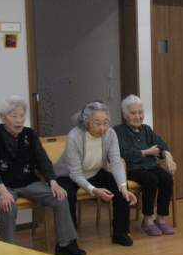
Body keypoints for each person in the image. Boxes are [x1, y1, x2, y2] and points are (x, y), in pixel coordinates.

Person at [0, 96, 86, 255]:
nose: (19, 120)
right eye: (14, 116)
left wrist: (53, 182)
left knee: (60, 197)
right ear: (3, 117)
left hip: (28, 182)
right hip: (2, 186)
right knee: (8, 205)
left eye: (22, 115)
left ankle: (66, 244)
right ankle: (9, 250)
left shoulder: (30, 134)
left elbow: (43, 160)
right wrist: (3, 191)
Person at [54, 101, 137, 246]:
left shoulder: (110, 134)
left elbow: (116, 162)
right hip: (68, 175)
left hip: (95, 172)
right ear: (86, 123)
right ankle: (69, 241)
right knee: (67, 195)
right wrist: (93, 190)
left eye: (106, 122)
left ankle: (120, 233)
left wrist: (123, 186)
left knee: (120, 188)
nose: (102, 128)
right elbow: (75, 174)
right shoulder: (74, 137)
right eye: (97, 123)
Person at [114, 95, 176, 236]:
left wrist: (168, 158)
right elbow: (124, 153)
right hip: (131, 168)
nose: (137, 116)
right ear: (125, 115)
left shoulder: (146, 129)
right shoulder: (118, 131)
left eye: (140, 112)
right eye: (133, 113)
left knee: (166, 178)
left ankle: (160, 218)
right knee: (151, 180)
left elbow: (162, 145)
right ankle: (147, 219)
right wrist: (146, 152)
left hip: (150, 165)